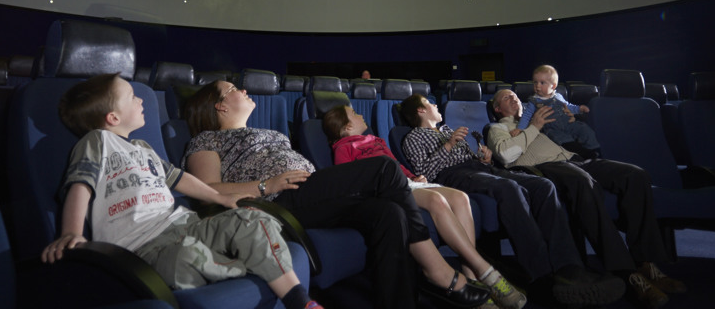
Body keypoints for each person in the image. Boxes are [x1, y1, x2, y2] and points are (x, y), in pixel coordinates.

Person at [182, 80, 490, 309]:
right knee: (383, 168)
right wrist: (266, 185)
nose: (244, 90)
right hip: (278, 203)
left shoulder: (271, 133)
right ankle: (436, 269)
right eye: (234, 88)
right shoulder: (207, 140)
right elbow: (208, 191)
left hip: (310, 192)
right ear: (219, 105)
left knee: (389, 212)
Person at [41, 73, 323, 309]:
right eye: (131, 96)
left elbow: (179, 179)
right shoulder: (97, 141)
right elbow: (80, 185)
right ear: (113, 117)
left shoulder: (144, 149)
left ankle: (299, 301)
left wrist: (221, 197)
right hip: (142, 246)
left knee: (253, 220)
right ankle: (254, 263)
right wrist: (71, 232)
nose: (140, 99)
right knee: (186, 258)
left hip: (183, 223)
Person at [398, 94, 625, 308]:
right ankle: (541, 275)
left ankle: (568, 268)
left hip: (479, 169)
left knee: (543, 185)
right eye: (430, 103)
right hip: (454, 175)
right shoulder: (413, 136)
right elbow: (424, 172)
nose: (436, 106)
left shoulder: (446, 129)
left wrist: (484, 158)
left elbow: (472, 159)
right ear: (420, 110)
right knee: (509, 188)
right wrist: (448, 146)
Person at [489, 89, 687, 309]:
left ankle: (645, 262)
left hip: (575, 160)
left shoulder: (537, 119)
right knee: (582, 181)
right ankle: (627, 272)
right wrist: (533, 127)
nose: (514, 98)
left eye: (515, 96)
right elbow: (506, 155)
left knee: (635, 175)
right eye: (506, 98)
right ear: (497, 109)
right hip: (546, 169)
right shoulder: (498, 128)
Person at [322, 103, 527, 309]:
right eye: (354, 114)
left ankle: (471, 276)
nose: (360, 115)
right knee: (436, 200)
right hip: (386, 187)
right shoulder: (344, 147)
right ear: (347, 127)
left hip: (406, 181)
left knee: (460, 198)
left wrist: (414, 176)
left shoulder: (376, 140)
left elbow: (396, 164)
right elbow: (348, 177)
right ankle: (486, 273)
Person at [522, 65, 600, 159]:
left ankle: (596, 151)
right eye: (535, 82)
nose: (537, 86)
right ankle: (581, 153)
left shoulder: (558, 96)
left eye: (542, 83)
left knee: (584, 130)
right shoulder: (533, 101)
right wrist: (520, 129)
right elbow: (526, 116)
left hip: (567, 122)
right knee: (562, 139)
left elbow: (568, 107)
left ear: (553, 86)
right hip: (552, 127)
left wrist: (579, 109)